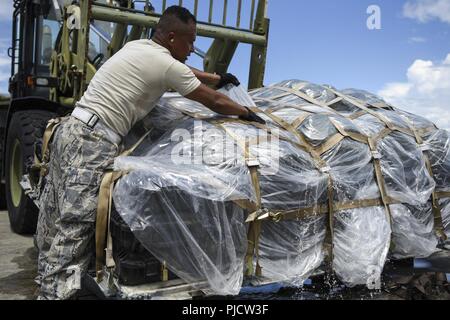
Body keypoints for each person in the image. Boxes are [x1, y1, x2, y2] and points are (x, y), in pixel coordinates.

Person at [35, 5, 265, 300]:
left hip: (71, 130)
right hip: (93, 142)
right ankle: (56, 296)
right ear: (172, 37)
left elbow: (183, 70)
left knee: (53, 218)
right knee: (74, 226)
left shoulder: (139, 47)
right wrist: (245, 112)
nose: (192, 48)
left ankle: (45, 285)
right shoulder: (167, 65)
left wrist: (215, 77)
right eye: (190, 40)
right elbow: (214, 102)